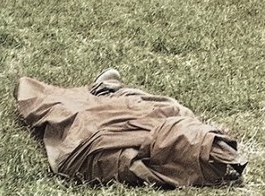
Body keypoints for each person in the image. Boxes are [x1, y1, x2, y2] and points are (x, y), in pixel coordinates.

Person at [16, 68, 246, 189]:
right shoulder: (181, 116)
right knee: (151, 105)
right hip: (148, 119)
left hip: (115, 131)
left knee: (78, 115)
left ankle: (104, 91)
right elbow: (160, 104)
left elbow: (99, 159)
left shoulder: (150, 163)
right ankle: (107, 89)